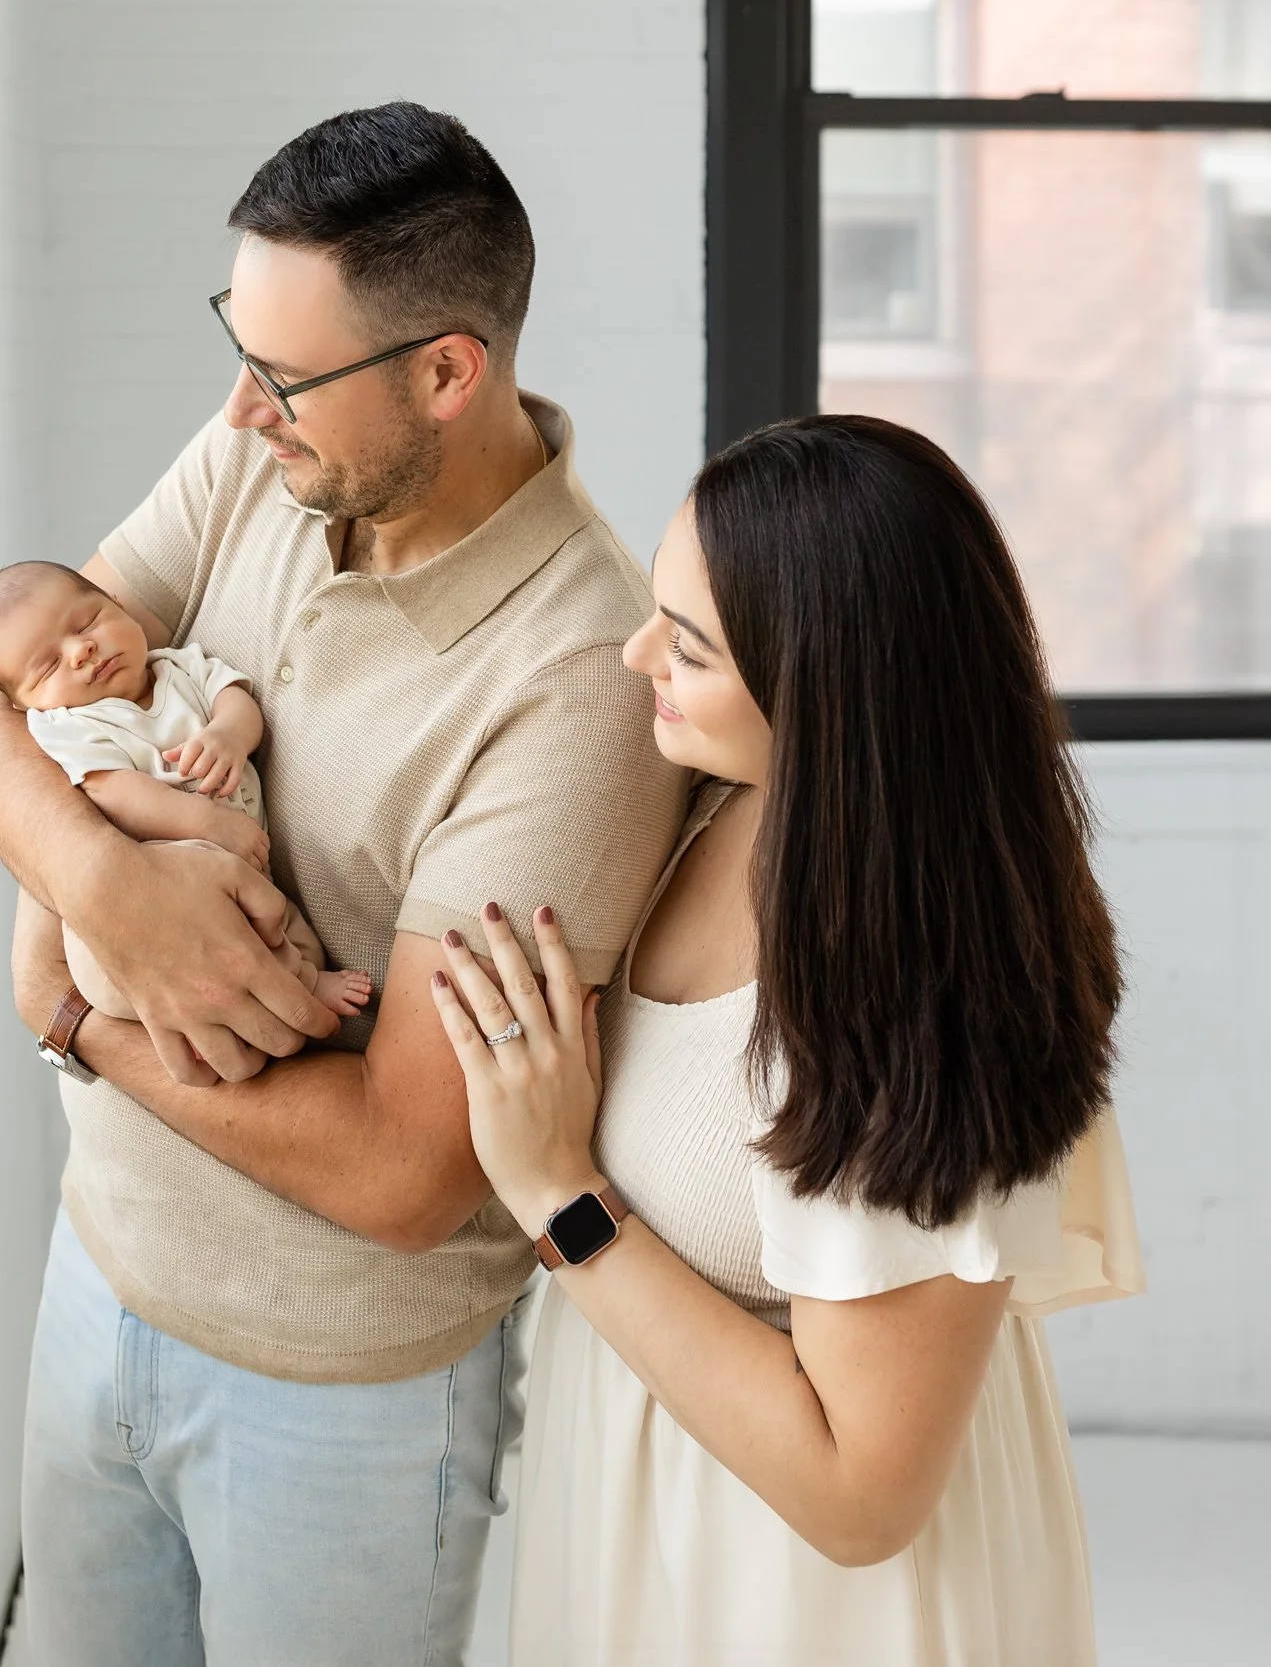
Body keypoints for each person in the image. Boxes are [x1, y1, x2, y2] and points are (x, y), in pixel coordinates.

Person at [0, 102, 688, 1667]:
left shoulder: (576, 681)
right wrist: (100, 875)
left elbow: (407, 1174)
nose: (237, 406)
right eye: (240, 342)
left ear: (444, 371)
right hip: (93, 1275)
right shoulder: (264, 456)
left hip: (344, 1402)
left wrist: (74, 1015)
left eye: (284, 377)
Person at [434, 414, 1144, 1666]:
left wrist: (562, 1196)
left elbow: (861, 1496)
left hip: (812, 1605)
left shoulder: (916, 991)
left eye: (689, 647)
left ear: (827, 692)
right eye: (660, 607)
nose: (633, 650)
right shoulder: (720, 805)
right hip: (649, 1531)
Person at [0, 558, 371, 1023]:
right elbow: (112, 790)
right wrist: (207, 822)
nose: (81, 650)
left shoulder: (182, 667)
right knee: (242, 927)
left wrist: (229, 735)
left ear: (118, 603)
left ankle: (299, 982)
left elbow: (235, 701)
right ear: (24, 703)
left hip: (238, 874)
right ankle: (297, 990)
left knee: (280, 924)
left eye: (88, 621)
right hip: (146, 903)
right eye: (48, 666)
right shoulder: (68, 724)